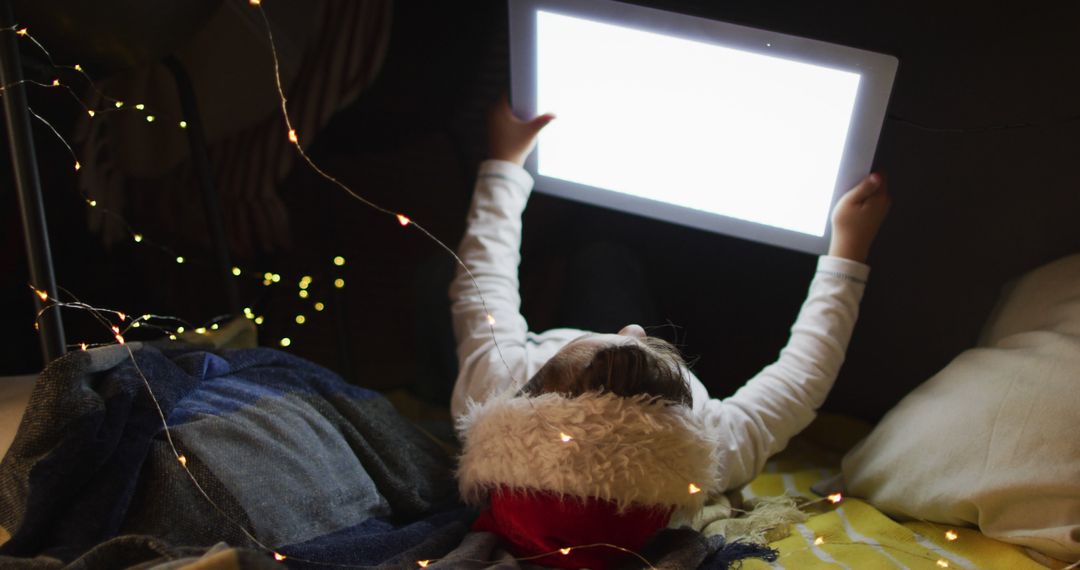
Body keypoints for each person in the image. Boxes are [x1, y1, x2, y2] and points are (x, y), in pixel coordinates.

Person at [449, 99, 891, 569]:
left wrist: (503, 164)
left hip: (512, 351)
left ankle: (582, 248)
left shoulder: (493, 385)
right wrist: (849, 249)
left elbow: (481, 280)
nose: (634, 328)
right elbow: (802, 375)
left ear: (531, 389)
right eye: (645, 348)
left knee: (597, 256)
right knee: (612, 261)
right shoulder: (707, 449)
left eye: (621, 343)